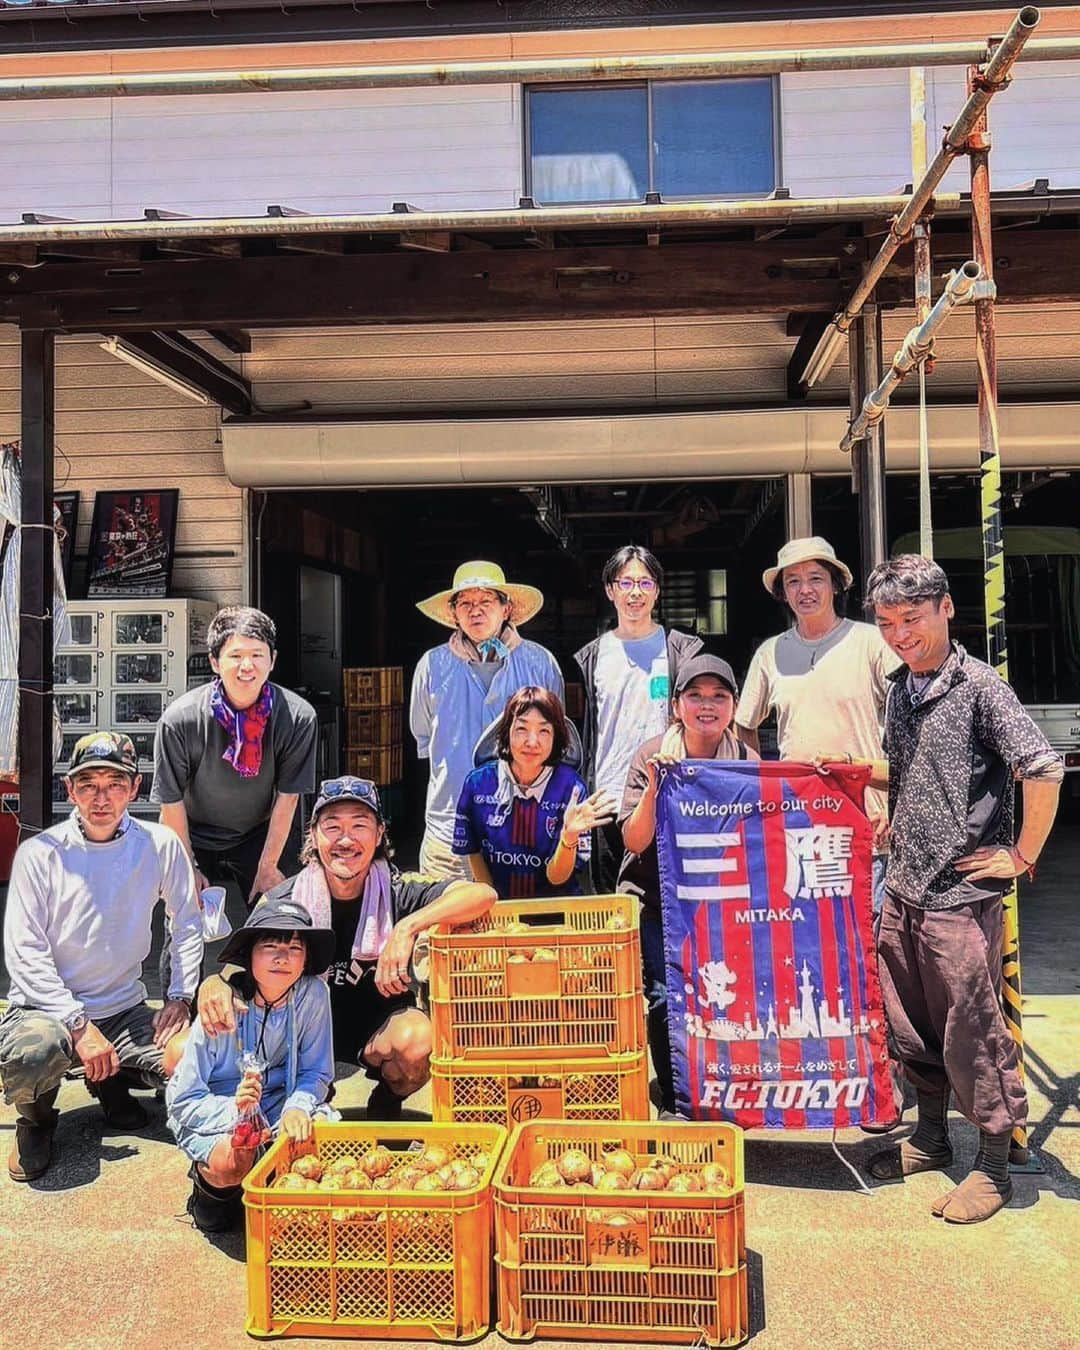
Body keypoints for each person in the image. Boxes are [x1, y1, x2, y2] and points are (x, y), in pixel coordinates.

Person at [859, 555, 1063, 1224]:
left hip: (959, 894)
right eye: (887, 623)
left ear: (946, 608)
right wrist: (869, 786)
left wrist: (1023, 854)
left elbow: (1042, 766)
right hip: (905, 887)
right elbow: (913, 771)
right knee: (911, 1026)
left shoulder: (981, 688)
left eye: (911, 619)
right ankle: (930, 1136)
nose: (899, 634)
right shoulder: (900, 689)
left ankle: (996, 1169)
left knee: (974, 1031)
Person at [196, 776, 496, 1119]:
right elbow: (238, 966)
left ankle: (386, 1099)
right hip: (300, 1029)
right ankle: (296, 1095)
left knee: (419, 1042)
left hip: (375, 1026)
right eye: (332, 826)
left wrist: (407, 927)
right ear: (314, 836)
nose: (346, 839)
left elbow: (481, 895)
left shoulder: (397, 889)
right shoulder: (286, 900)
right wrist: (213, 984)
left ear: (380, 833)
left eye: (359, 825)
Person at [0, 732, 202, 1182]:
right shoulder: (39, 855)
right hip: (46, 1012)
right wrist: (78, 1025)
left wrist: (181, 996)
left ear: (134, 787)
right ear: (69, 790)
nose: (101, 796)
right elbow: (25, 953)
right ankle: (35, 1122)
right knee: (33, 1053)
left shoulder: (159, 844)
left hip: (123, 1007)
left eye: (114, 783)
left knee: (191, 1055)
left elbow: (187, 920)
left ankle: (109, 1081)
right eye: (88, 784)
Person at [619, 656, 758, 1114]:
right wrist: (658, 785)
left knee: (725, 993)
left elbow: (766, 837)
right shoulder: (651, 754)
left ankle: (719, 1087)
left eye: (719, 696)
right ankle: (676, 1094)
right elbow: (633, 839)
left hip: (721, 899)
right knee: (663, 994)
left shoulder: (746, 762)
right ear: (677, 704)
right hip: (658, 898)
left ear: (734, 706)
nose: (707, 705)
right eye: (695, 695)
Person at [735, 536, 897, 906]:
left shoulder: (871, 643)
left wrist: (896, 800)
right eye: (793, 581)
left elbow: (910, 720)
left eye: (815, 578)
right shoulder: (770, 653)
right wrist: (764, 787)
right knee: (809, 945)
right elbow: (745, 723)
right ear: (783, 593)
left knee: (867, 946)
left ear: (835, 584)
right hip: (798, 827)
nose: (805, 590)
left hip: (867, 824)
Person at [167, 894, 335, 1232]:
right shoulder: (220, 1007)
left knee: (323, 1143)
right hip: (220, 1109)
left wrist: (298, 1106)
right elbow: (184, 1099)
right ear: (250, 956)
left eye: (295, 949)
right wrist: (239, 1111)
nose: (282, 958)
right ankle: (212, 1190)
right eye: (269, 946)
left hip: (278, 1103)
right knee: (234, 1163)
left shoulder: (314, 995)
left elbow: (316, 1071)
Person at [153, 606, 318, 907]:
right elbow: (170, 800)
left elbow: (289, 796)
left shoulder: (297, 717)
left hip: (260, 832)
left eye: (257, 655)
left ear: (273, 660)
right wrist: (187, 864)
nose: (247, 666)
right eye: (235, 655)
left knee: (279, 923)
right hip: (191, 831)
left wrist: (268, 866)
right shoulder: (180, 720)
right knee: (185, 929)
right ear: (214, 662)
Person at [410, 561, 563, 880]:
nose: (475, 611)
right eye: (465, 603)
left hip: (522, 834)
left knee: (517, 928)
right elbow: (423, 737)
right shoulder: (432, 666)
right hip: (448, 833)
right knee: (444, 925)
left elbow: (556, 742)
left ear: (506, 608)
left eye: (485, 602)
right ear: (453, 613)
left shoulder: (539, 663)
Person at [575, 545, 702, 893]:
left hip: (665, 796)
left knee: (669, 904)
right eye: (626, 583)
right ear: (610, 590)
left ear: (658, 591)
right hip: (607, 799)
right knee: (609, 908)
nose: (635, 593)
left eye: (645, 584)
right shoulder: (595, 655)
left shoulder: (679, 650)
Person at [453, 686, 615, 899]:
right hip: (495, 913)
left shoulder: (571, 789)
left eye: (544, 731)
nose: (532, 741)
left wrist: (569, 837)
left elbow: (557, 877)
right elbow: (473, 851)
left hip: (556, 915)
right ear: (505, 732)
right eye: (521, 729)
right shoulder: (478, 784)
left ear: (556, 737)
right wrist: (495, 908)